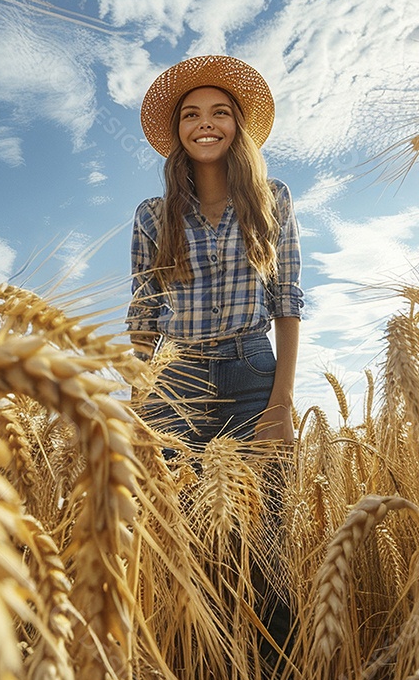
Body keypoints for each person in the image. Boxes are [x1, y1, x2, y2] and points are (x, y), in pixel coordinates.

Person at [125, 54, 304, 447]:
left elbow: (286, 299)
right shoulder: (151, 217)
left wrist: (282, 404)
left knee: (268, 507)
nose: (205, 123)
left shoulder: (272, 200)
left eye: (219, 112)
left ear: (237, 126)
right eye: (191, 115)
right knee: (174, 508)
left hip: (253, 374)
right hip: (173, 384)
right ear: (179, 132)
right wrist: (138, 405)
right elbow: (143, 317)